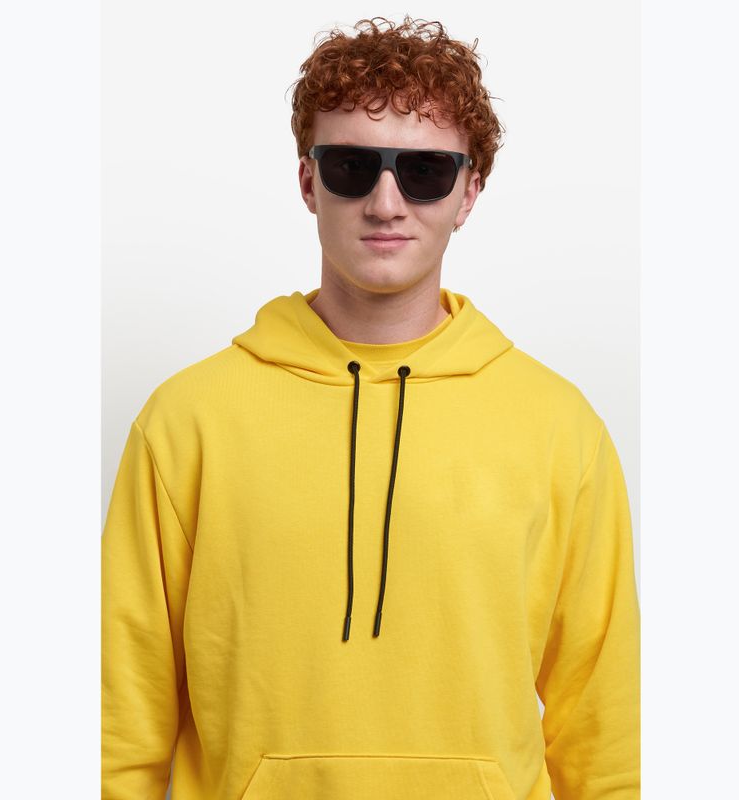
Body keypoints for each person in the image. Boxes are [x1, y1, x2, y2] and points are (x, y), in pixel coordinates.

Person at [101, 15, 640, 800]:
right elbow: (120, 720)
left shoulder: (560, 428)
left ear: (469, 192)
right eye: (353, 166)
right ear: (309, 182)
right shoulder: (188, 421)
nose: (387, 203)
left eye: (425, 172)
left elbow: (606, 724)